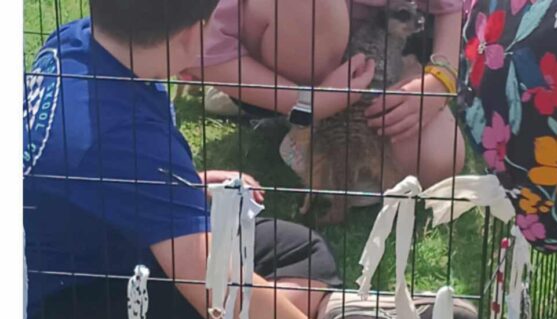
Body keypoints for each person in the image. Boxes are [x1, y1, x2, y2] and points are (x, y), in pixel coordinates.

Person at [24, 0, 480, 319]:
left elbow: (85, 175)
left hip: (119, 251)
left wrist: (189, 186)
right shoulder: (125, 137)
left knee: (302, 251)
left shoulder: (80, 42)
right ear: (189, 35)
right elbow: (215, 287)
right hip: (69, 317)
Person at [187, 0, 465, 188]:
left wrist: (437, 83)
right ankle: (302, 127)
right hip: (291, 61)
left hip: (382, 62)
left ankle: (335, 135)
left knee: (437, 161)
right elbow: (197, 47)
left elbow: (448, 9)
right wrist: (311, 104)